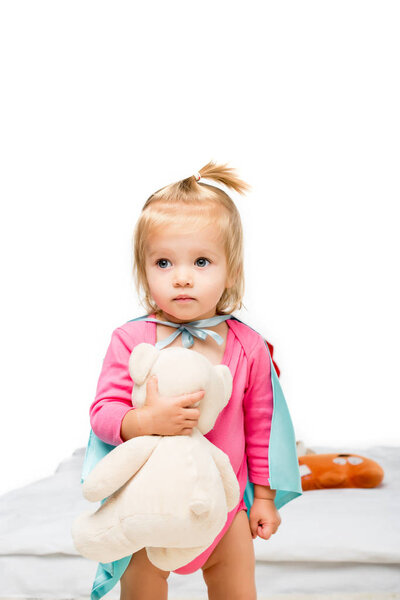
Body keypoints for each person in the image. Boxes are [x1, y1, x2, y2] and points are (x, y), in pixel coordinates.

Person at [81, 160, 302, 600]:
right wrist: (143, 421)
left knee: (236, 588)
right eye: (163, 262)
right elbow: (102, 414)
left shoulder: (248, 346)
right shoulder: (131, 339)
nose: (182, 277)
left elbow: (262, 427)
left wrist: (262, 499)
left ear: (231, 271)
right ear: (144, 269)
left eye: (201, 261)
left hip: (225, 503)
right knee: (142, 587)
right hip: (150, 500)